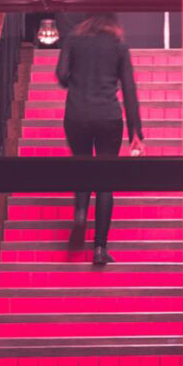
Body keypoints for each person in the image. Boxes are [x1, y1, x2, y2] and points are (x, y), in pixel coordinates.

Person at [52, 14, 144, 268]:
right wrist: (136, 131)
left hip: (77, 114)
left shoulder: (73, 39)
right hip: (108, 117)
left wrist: (78, 82)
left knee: (83, 167)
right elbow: (128, 88)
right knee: (105, 182)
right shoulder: (118, 45)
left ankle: (81, 213)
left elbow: (61, 74)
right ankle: (100, 248)